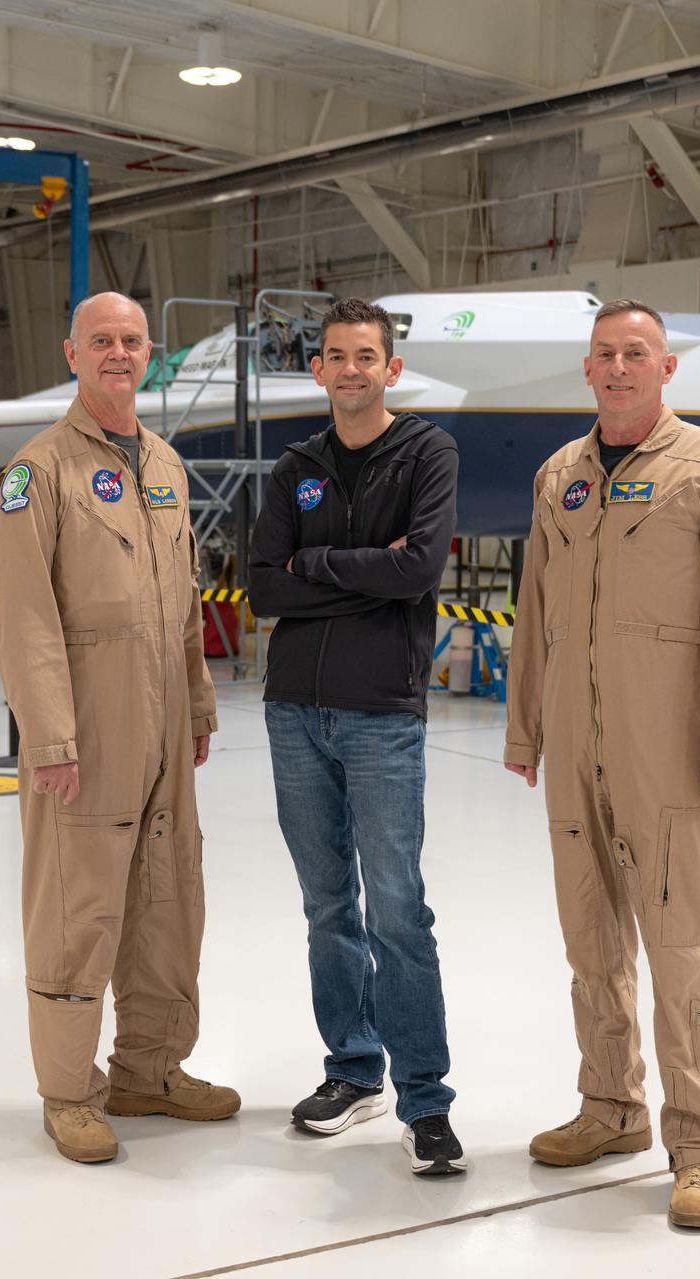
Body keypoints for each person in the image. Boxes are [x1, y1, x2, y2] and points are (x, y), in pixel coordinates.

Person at [503, 298, 700, 1228]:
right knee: (590, 938)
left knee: (685, 945)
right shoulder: (558, 477)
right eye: (605, 354)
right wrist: (526, 729)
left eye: (637, 353)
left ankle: (696, 1143)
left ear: (665, 368)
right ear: (586, 370)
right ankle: (608, 1105)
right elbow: (533, 610)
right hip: (574, 740)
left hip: (667, 747)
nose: (619, 367)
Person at [0, 291, 237, 1165]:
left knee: (168, 898)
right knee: (77, 907)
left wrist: (198, 704)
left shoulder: (163, 463)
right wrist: (48, 735)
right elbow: (23, 616)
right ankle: (68, 1092)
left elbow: (182, 606)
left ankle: (150, 1069)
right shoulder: (39, 470)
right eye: (102, 341)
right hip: (88, 728)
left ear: (148, 352)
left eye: (132, 340)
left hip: (167, 722)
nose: (118, 354)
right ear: (71, 353)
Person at [247, 297, 466, 1176]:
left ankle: (425, 1098)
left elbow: (419, 569)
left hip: (380, 711)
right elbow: (263, 587)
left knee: (398, 910)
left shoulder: (426, 452)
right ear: (317, 369)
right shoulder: (294, 466)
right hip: (293, 708)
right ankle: (351, 1069)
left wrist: (316, 567)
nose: (349, 369)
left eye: (365, 355)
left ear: (390, 367)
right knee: (326, 906)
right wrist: (361, 574)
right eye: (335, 355)